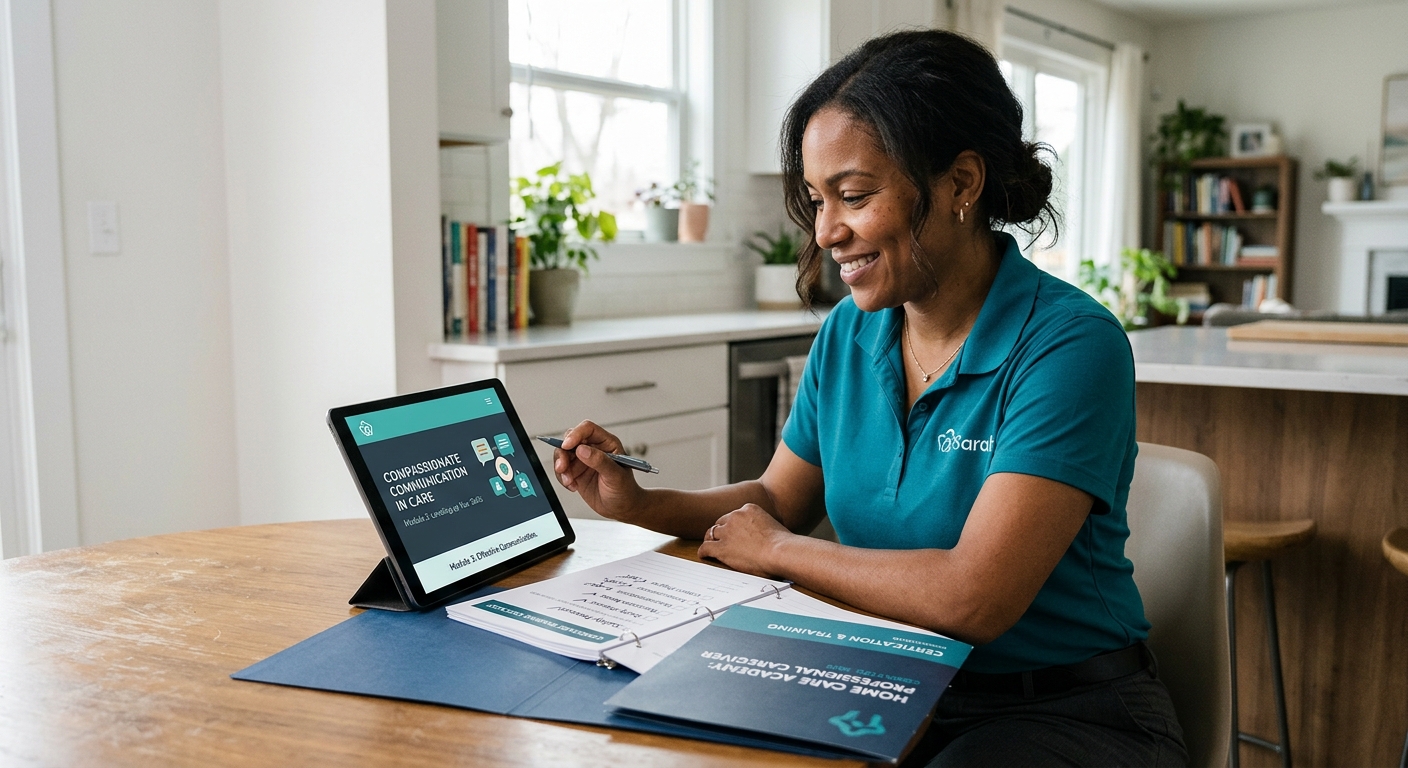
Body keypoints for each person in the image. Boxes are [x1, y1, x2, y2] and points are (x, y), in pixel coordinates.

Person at [551, 29, 1187, 768]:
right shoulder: (851, 334)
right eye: (818, 201)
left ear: (960, 184)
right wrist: (640, 506)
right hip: (884, 680)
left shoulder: (1070, 345)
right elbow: (777, 499)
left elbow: (973, 598)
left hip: (1064, 710)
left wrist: (781, 554)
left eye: (854, 196)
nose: (826, 232)